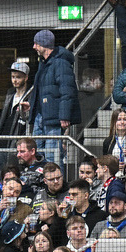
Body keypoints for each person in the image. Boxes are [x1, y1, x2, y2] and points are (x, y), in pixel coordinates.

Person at [29, 30, 82, 167]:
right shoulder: (44, 63)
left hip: (54, 118)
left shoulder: (60, 63)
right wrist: (31, 106)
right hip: (41, 116)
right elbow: (40, 91)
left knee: (53, 158)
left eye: (36, 43)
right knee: (37, 155)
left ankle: (56, 186)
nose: (34, 47)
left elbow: (68, 90)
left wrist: (64, 116)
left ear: (43, 44)